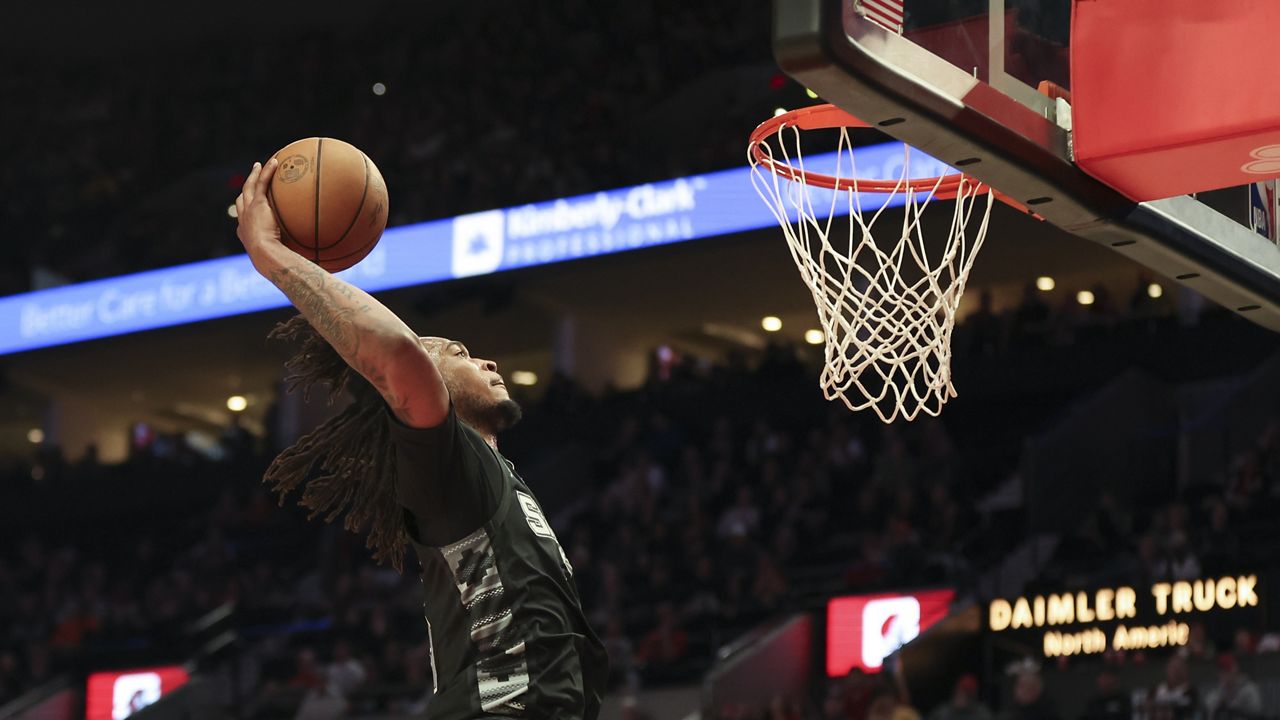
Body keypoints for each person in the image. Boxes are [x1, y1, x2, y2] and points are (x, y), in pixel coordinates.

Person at [235, 159, 608, 719]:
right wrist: (270, 253)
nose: (486, 360)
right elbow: (397, 355)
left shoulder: (487, 474)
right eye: (458, 353)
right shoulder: (444, 463)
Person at [1204, 654, 1261, 718]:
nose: (1225, 674)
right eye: (1222, 671)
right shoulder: (1217, 693)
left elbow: (1255, 712)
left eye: (1227, 670)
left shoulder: (1249, 690)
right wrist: (1220, 701)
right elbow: (1208, 708)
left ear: (1235, 669)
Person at [928, 675, 992, 720]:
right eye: (959, 692)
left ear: (972, 698)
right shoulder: (942, 713)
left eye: (966, 694)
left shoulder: (982, 715)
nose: (960, 697)